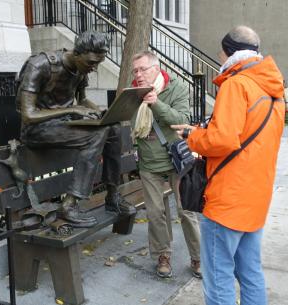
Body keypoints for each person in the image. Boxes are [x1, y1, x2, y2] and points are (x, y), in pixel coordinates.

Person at [172, 25, 285, 305]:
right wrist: (204, 129)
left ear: (229, 51)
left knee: (218, 276)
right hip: (256, 197)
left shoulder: (236, 84)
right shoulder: (274, 90)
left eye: (220, 51)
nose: (219, 57)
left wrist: (192, 135)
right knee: (250, 273)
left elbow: (222, 141)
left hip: (227, 200)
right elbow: (247, 136)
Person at [16, 30, 136, 227]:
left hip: (64, 125)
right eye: (91, 63)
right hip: (36, 130)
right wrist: (72, 109)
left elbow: (82, 100)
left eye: (98, 63)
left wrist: (100, 112)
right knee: (95, 135)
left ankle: (113, 195)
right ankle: (69, 205)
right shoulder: (40, 65)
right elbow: (28, 115)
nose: (94, 68)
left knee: (112, 127)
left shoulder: (81, 69)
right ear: (76, 53)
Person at [131, 51, 202, 279]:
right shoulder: (132, 93)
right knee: (155, 213)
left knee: (187, 210)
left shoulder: (176, 88)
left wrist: (156, 103)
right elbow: (127, 120)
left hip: (176, 159)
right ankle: (162, 255)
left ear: (156, 68)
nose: (138, 74)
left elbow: (181, 120)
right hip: (148, 161)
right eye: (135, 70)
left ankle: (198, 257)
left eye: (143, 69)